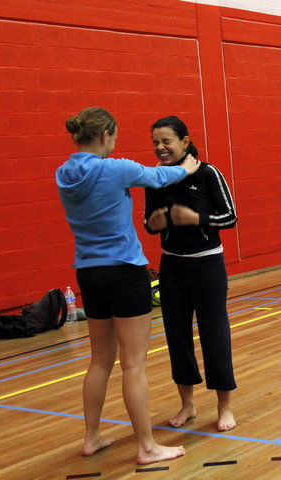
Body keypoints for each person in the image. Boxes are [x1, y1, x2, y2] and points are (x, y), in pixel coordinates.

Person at [56, 107, 201, 464]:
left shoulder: (64, 173)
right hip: (123, 271)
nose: (114, 144)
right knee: (133, 364)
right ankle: (147, 446)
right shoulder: (114, 168)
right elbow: (158, 176)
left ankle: (91, 437)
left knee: (99, 361)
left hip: (88, 273)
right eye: (115, 137)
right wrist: (186, 168)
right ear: (105, 135)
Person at [144, 116, 238, 432]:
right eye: (155, 142)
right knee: (177, 335)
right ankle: (187, 405)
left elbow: (230, 217)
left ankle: (224, 407)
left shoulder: (208, 173)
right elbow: (147, 222)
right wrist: (153, 224)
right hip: (172, 267)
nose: (160, 147)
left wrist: (197, 218)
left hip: (207, 265)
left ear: (185, 141)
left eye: (166, 141)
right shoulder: (155, 178)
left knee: (214, 334)